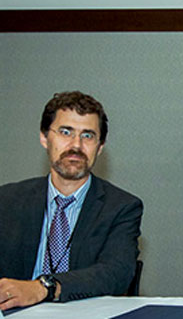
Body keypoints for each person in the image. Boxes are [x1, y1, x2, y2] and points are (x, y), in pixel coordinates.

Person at [0, 91, 143, 310]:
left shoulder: (121, 207)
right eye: (65, 132)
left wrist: (43, 287)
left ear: (100, 147)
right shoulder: (7, 201)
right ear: (44, 137)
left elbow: (116, 273)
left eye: (88, 136)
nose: (76, 145)